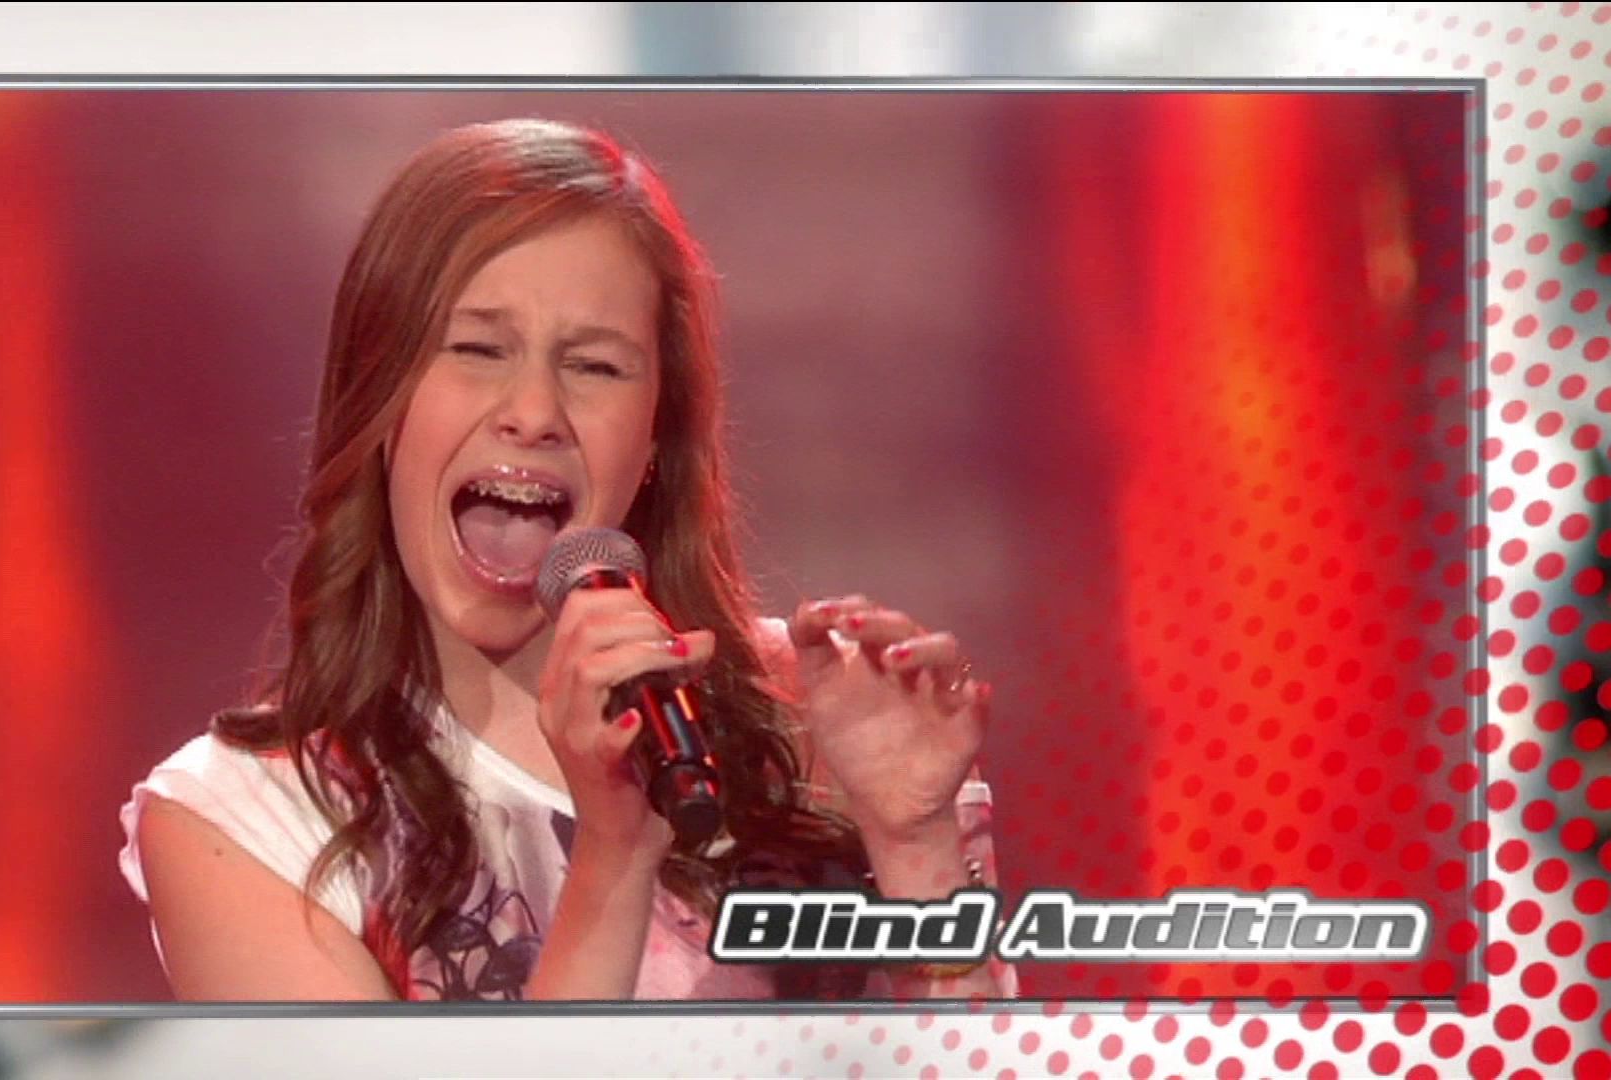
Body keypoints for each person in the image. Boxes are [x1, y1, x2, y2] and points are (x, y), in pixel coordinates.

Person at [117, 117, 1016, 1002]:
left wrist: (916, 844)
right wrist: (614, 858)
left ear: (657, 436)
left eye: (594, 367)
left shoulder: (817, 720)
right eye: (478, 350)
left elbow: (976, 1066)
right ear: (380, 398)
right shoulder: (242, 822)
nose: (534, 412)